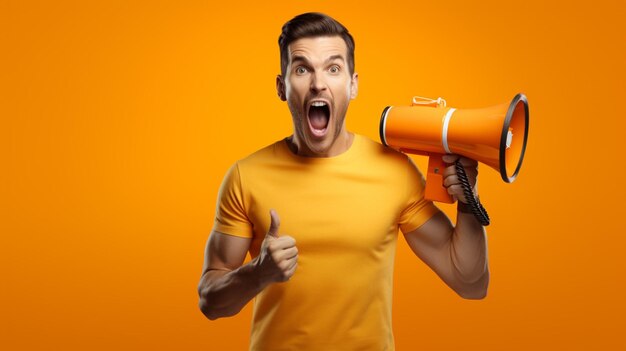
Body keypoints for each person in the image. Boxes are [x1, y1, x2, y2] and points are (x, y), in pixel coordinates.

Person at [198, 12, 489, 350]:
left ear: (353, 85)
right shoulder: (245, 177)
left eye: (333, 69)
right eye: (302, 68)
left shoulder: (395, 171)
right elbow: (210, 301)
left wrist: (469, 201)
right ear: (282, 87)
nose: (318, 83)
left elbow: (470, 283)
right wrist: (258, 273)